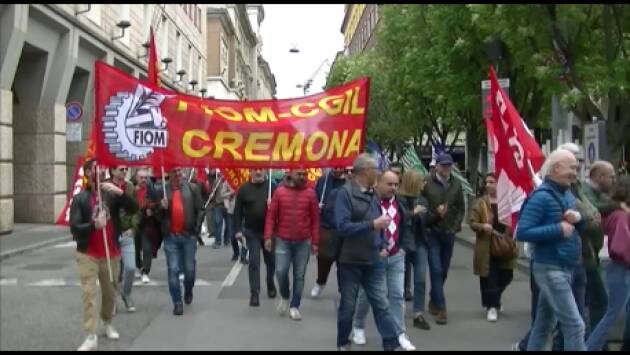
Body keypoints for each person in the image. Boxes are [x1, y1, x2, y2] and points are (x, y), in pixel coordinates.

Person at [334, 154, 415, 351]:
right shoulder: (344, 194)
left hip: (373, 259)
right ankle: (343, 341)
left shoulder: (373, 195)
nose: (377, 174)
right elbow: (342, 227)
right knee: (348, 307)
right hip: (350, 260)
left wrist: (383, 244)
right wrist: (372, 225)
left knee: (381, 303)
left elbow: (379, 225)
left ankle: (391, 343)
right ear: (364, 172)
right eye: (375, 170)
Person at [516, 149, 586, 350]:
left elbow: (579, 227)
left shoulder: (567, 194)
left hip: (564, 267)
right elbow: (522, 232)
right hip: (550, 267)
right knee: (575, 326)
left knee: (544, 325)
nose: (575, 172)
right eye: (572, 167)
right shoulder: (541, 197)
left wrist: (578, 219)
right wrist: (557, 229)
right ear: (556, 168)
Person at [70, 159, 138, 351]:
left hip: (111, 253)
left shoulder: (110, 194)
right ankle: (91, 335)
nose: (99, 172)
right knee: (89, 294)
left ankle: (107, 322)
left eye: (101, 169)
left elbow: (133, 207)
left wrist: (119, 191)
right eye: (95, 169)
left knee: (109, 293)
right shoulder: (81, 199)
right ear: (88, 174)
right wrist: (94, 226)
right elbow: (74, 228)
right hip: (88, 254)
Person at [352, 170, 416, 345]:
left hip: (396, 257)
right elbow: (363, 228)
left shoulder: (400, 203)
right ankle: (358, 326)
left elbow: (406, 227)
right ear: (378, 183)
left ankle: (400, 333)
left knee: (397, 295)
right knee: (367, 295)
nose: (393, 188)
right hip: (374, 258)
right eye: (389, 184)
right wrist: (375, 248)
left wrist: (403, 248)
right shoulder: (368, 202)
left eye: (396, 184)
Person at [264, 168, 320, 321]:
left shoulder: (311, 193)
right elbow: (271, 216)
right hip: (283, 239)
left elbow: (315, 220)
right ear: (290, 174)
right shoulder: (279, 192)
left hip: (304, 241)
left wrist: (315, 242)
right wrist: (268, 236)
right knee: (281, 272)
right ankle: (285, 295)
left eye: (304, 174)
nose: (302, 177)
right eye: (299, 174)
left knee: (299, 275)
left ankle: (295, 306)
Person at [585, 175, 630, 350]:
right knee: (612, 315)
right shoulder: (620, 216)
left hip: (620, 267)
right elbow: (621, 246)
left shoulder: (619, 213)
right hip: (621, 268)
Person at [422, 152, 465, 325]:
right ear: (437, 166)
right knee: (436, 269)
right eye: (444, 165)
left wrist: (456, 224)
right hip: (432, 231)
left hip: (449, 232)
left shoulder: (456, 183)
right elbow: (421, 205)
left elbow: (461, 206)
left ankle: (434, 297)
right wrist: (434, 216)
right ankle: (441, 308)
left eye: (449, 165)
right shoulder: (427, 182)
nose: (447, 168)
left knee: (444, 269)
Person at [469, 173, 516, 322]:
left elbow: (516, 219)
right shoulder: (481, 203)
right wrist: (483, 226)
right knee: (490, 277)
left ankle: (494, 298)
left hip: (505, 245)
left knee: (507, 275)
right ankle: (492, 306)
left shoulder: (507, 201)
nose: (489, 185)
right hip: (487, 246)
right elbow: (472, 222)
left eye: (492, 182)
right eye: (487, 182)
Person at [158, 167, 204, 316]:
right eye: (174, 171)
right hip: (171, 237)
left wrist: (195, 232)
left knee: (189, 269)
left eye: (179, 171)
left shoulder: (192, 188)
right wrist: (161, 207)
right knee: (173, 269)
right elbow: (155, 217)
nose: (177, 174)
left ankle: (188, 289)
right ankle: (177, 302)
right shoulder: (162, 191)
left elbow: (201, 209)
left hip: (188, 236)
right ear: (168, 173)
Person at [234, 168, 277, 307]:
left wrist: (273, 206)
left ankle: (270, 283)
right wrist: (238, 230)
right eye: (255, 170)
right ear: (250, 172)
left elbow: (281, 209)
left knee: (270, 262)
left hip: (269, 232)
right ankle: (254, 293)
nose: (258, 172)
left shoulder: (272, 187)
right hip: (251, 232)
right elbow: (238, 211)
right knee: (254, 262)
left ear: (265, 171)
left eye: (260, 170)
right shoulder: (244, 189)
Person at [398, 170, 431, 330]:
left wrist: (432, 214)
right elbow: (398, 220)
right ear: (413, 182)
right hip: (403, 243)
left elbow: (426, 220)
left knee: (420, 278)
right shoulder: (398, 199)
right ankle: (398, 310)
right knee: (401, 279)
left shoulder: (423, 200)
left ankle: (418, 313)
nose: (424, 185)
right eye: (422, 181)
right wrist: (413, 213)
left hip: (419, 243)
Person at [310, 167, 348, 298]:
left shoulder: (350, 182)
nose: (338, 169)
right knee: (324, 258)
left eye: (340, 167)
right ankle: (320, 281)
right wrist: (317, 207)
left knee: (343, 261)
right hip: (326, 226)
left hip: (344, 227)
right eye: (335, 166)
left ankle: (344, 289)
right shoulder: (323, 181)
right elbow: (315, 197)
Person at [107, 166, 139, 313]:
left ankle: (126, 294)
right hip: (110, 233)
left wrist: (133, 228)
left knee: (130, 268)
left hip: (126, 232)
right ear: (112, 171)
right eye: (121, 169)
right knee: (112, 272)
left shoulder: (130, 187)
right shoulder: (105, 186)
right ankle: (112, 300)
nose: (124, 171)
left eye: (126, 169)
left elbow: (136, 209)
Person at [132, 168, 161, 284]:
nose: (144, 180)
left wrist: (152, 211)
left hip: (147, 225)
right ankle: (138, 266)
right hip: (133, 224)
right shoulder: (131, 190)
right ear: (136, 178)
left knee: (147, 248)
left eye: (146, 177)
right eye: (141, 177)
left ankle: (145, 271)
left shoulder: (152, 191)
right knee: (135, 249)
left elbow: (157, 205)